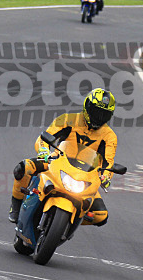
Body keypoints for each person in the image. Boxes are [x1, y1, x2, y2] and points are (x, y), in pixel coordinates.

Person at [8, 88, 117, 226]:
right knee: (23, 168)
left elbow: (108, 162)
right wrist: (43, 151)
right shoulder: (67, 120)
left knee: (101, 216)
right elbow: (44, 137)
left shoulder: (110, 136)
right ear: (87, 107)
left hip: (86, 176)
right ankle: (16, 206)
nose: (99, 118)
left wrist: (106, 176)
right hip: (56, 162)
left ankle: (69, 220)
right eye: (96, 112)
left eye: (104, 115)